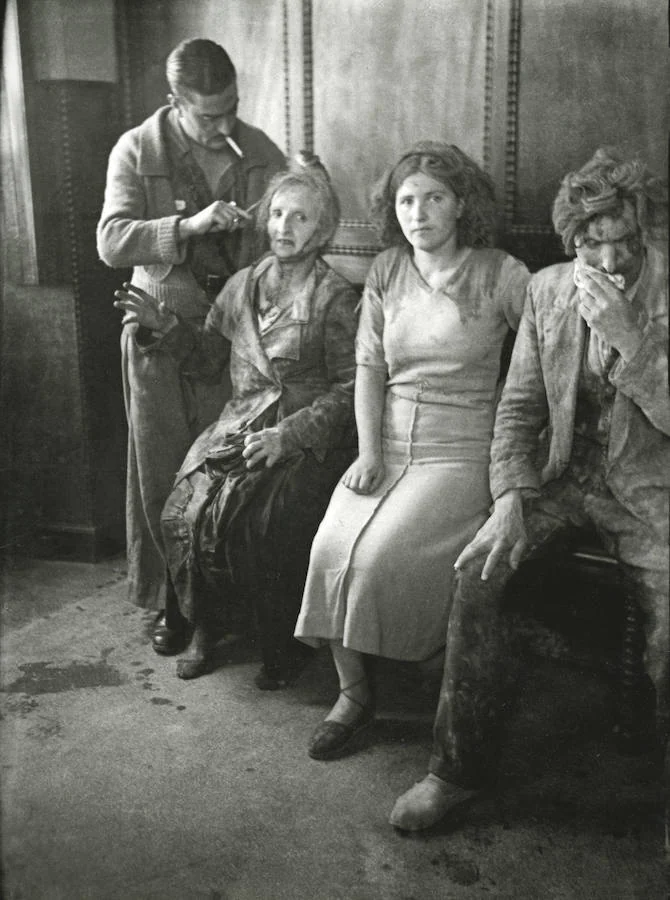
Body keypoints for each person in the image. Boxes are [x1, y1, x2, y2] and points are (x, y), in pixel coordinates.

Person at [389, 147, 669, 832]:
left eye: (621, 244)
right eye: (590, 244)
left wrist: (632, 341)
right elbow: (517, 412)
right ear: (571, 240)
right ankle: (453, 772)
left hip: (651, 495)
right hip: (561, 479)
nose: (606, 262)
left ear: (645, 235)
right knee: (480, 575)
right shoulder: (548, 291)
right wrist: (511, 499)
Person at [294, 142, 531, 760]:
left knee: (377, 556)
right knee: (328, 547)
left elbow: (545, 343)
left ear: (461, 206)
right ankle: (352, 694)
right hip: (388, 443)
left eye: (433, 198)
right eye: (406, 200)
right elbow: (369, 368)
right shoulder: (386, 269)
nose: (418, 212)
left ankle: (423, 663)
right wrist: (369, 452)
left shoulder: (501, 271)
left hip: (459, 450)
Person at [113, 154, 358, 689]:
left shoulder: (335, 296)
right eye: (277, 214)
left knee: (262, 522)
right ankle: (205, 628)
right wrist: (165, 325)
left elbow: (352, 388)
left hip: (302, 435)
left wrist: (289, 435)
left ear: (322, 230)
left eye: (301, 218)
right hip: (239, 423)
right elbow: (206, 361)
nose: (284, 227)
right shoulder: (242, 284)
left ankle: (281, 646)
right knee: (183, 507)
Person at [96, 39, 285, 652]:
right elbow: (112, 241)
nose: (225, 124)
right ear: (174, 103)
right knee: (161, 466)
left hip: (234, 328)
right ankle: (172, 603)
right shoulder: (136, 149)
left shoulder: (257, 150)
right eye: (209, 115)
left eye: (232, 107)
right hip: (157, 324)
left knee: (221, 466)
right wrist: (189, 227)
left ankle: (223, 601)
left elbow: (291, 221)